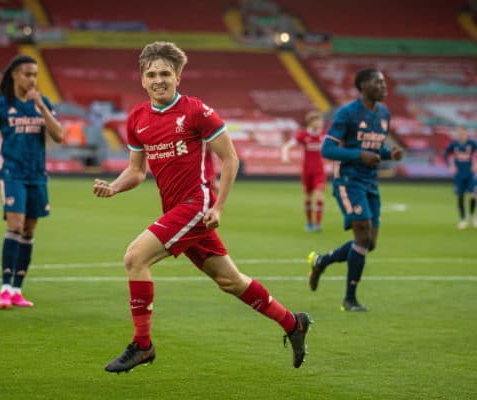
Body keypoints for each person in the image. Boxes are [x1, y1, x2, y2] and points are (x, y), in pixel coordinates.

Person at [93, 41, 311, 373]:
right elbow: (137, 172)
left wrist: (219, 207)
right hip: (176, 212)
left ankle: (142, 345)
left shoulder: (196, 111)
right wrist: (114, 187)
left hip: (197, 205)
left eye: (166, 73)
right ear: (142, 80)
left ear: (178, 76)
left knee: (135, 258)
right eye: (151, 74)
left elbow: (230, 158)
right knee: (231, 281)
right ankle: (292, 323)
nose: (159, 80)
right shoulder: (137, 118)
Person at [0, 55, 63, 309]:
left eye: (35, 74)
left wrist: (41, 106)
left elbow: (59, 136)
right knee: (15, 225)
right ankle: (4, 289)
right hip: (12, 174)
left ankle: (17, 290)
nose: (32, 79)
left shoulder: (42, 103)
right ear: (15, 75)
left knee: (29, 230)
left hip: (37, 176)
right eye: (27, 74)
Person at [307, 68, 404, 312]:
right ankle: (349, 300)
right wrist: (358, 155)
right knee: (362, 235)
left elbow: (374, 150)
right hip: (348, 181)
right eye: (378, 82)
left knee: (370, 243)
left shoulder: (383, 114)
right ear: (363, 86)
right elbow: (327, 150)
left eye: (384, 82)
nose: (384, 86)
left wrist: (388, 154)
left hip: (370, 182)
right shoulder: (347, 113)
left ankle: (321, 261)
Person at [281, 110, 326, 232]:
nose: (320, 123)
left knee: (319, 197)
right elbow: (287, 146)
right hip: (307, 171)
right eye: (317, 121)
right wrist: (285, 156)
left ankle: (317, 224)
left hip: (319, 171)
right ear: (310, 122)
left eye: (320, 120)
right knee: (307, 198)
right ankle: (309, 223)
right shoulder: (303, 135)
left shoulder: (324, 135)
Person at [442, 126, 477, 229]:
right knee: (460, 196)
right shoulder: (454, 144)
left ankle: (472, 216)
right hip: (459, 175)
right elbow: (445, 154)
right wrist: (450, 165)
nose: (460, 135)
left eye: (462, 133)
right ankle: (463, 220)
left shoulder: (472, 143)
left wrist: (475, 164)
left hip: (470, 174)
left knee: (473, 195)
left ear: (466, 133)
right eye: (459, 133)